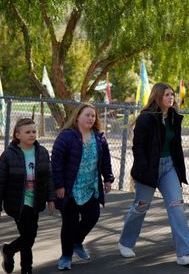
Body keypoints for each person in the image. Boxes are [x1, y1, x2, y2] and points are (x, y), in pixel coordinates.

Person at [118, 82, 189, 266]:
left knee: (177, 206)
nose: (171, 98)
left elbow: (176, 146)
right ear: (158, 96)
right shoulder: (146, 118)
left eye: (172, 95)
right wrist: (144, 170)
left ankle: (184, 254)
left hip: (169, 167)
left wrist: (179, 169)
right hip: (149, 170)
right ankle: (125, 242)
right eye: (167, 94)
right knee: (141, 206)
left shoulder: (174, 118)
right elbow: (138, 147)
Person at [52, 103, 114, 270]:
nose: (91, 118)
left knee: (92, 216)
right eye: (87, 115)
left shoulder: (99, 137)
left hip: (90, 187)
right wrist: (59, 185)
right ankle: (66, 257)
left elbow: (105, 161)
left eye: (93, 116)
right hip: (69, 188)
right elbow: (56, 162)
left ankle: (77, 242)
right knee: (69, 223)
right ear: (77, 117)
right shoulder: (66, 136)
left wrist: (108, 179)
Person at [0, 118, 56, 274]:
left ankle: (8, 250)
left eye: (34, 131)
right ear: (17, 135)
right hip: (19, 204)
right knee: (28, 237)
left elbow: (49, 177)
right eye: (28, 132)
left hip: (36, 202)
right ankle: (26, 269)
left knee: (29, 237)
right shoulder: (8, 155)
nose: (32, 135)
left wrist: (51, 199)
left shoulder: (42, 153)